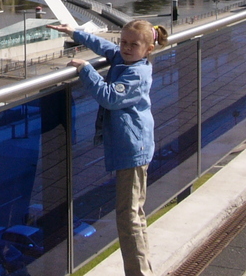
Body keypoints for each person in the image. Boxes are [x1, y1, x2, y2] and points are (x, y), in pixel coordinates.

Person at [47, 20, 168, 276]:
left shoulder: (137, 73)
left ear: (147, 49)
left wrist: (86, 70)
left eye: (133, 44)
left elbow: (110, 97)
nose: (125, 47)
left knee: (128, 217)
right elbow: (104, 46)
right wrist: (74, 33)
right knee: (134, 213)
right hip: (133, 146)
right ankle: (143, 269)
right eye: (123, 42)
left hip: (133, 150)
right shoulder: (126, 60)